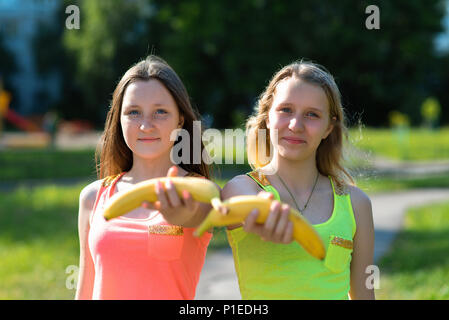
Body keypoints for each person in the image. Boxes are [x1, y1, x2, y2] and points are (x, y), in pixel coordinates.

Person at [221, 60, 375, 300]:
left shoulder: (357, 204)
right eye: (286, 110)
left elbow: (364, 296)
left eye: (312, 115)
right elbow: (251, 205)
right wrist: (264, 214)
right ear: (268, 117)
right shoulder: (243, 187)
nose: (295, 125)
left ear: (328, 128)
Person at [75, 55, 214, 300]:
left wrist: (178, 213)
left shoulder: (197, 192)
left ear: (180, 120)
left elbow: (198, 214)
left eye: (160, 112)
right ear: (119, 119)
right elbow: (85, 290)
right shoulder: (93, 197)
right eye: (134, 112)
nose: (146, 125)